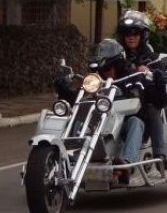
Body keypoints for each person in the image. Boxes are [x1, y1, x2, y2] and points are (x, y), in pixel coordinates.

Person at [54, 38, 145, 184]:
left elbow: (138, 95)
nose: (103, 73)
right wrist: (63, 89)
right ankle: (69, 157)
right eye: (100, 69)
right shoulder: (95, 81)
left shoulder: (131, 77)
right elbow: (77, 98)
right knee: (78, 115)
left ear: (118, 65)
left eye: (107, 69)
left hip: (120, 125)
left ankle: (126, 164)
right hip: (96, 124)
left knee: (136, 122)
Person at [117, 11, 167, 171]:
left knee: (151, 108)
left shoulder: (153, 60)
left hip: (141, 117)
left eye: (135, 33)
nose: (131, 37)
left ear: (143, 35)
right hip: (115, 113)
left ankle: (158, 155)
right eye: (127, 33)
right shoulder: (116, 59)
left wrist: (158, 80)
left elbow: (163, 101)